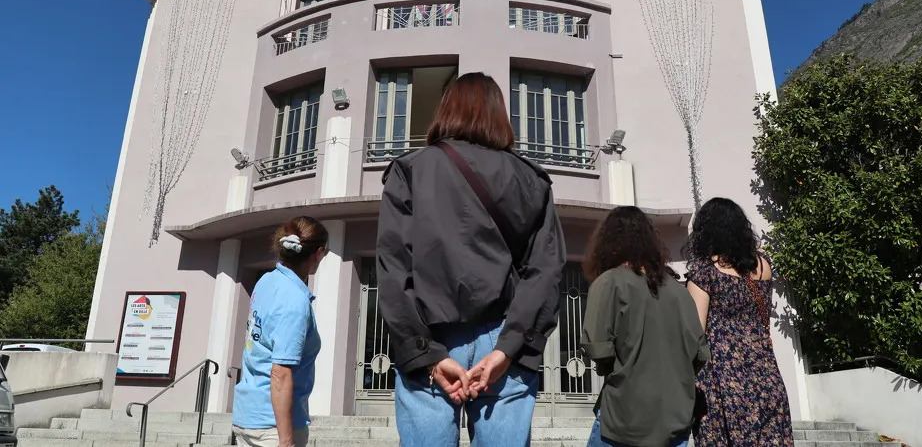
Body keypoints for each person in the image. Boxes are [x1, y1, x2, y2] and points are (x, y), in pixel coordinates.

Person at [376, 71, 566, 447]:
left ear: (446, 110)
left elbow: (393, 267)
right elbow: (545, 272)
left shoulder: (411, 169)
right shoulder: (531, 180)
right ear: (500, 115)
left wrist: (424, 352)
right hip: (503, 334)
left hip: (429, 331)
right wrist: (508, 348)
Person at [581, 206, 707, 447]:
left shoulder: (609, 282)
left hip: (625, 418)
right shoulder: (679, 292)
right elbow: (700, 354)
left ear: (608, 241)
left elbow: (597, 347)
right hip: (675, 421)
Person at [685, 197, 794, 446]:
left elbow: (694, 335)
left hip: (723, 382)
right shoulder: (763, 265)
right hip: (766, 375)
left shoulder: (704, 274)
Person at [232, 217, 329, 447]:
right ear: (319, 253)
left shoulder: (266, 281)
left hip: (247, 414)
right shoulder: (294, 302)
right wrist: (286, 441)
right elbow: (280, 373)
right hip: (273, 426)